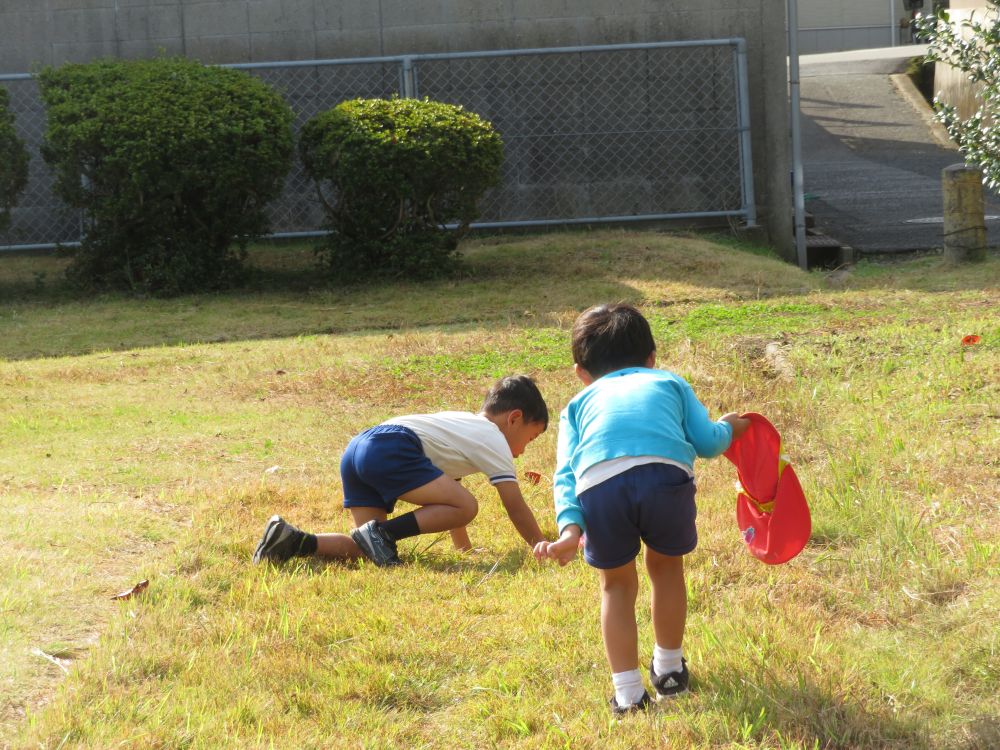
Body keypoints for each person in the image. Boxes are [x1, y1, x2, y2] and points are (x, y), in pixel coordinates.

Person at [534, 303, 750, 714]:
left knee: (616, 586)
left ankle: (628, 695)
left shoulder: (577, 405)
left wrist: (569, 529)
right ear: (652, 358)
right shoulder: (669, 382)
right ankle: (669, 671)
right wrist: (730, 427)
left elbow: (566, 473)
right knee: (666, 569)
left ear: (581, 373)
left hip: (600, 488)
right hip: (663, 479)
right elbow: (706, 443)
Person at [253, 374, 552, 567]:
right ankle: (381, 535)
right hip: (390, 446)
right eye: (531, 437)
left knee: (365, 548)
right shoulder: (493, 438)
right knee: (466, 505)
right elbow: (514, 505)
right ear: (514, 419)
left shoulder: (463, 426)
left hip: (359, 447)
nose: (524, 449)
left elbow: (451, 486)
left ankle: (292, 540)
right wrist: (542, 546)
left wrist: (464, 548)